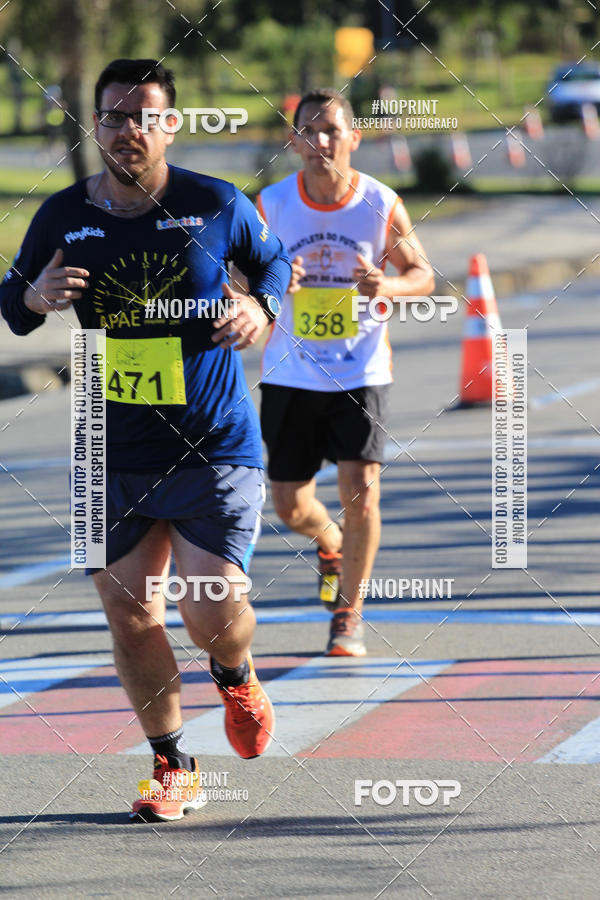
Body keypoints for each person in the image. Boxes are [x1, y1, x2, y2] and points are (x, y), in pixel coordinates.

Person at [0, 58, 290, 822]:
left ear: (169, 124)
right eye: (112, 117)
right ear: (94, 126)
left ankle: (235, 675)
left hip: (212, 439)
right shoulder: (61, 215)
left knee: (208, 605)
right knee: (130, 616)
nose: (126, 130)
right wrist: (32, 296)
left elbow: (274, 266)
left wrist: (261, 308)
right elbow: (16, 305)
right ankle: (173, 767)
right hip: (111, 448)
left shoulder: (215, 203)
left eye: (142, 116)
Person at [257, 88, 434, 657]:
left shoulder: (381, 203)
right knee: (288, 506)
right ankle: (328, 540)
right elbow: (235, 282)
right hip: (290, 374)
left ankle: (348, 613)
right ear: (293, 142)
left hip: (361, 371)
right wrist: (273, 282)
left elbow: (424, 275)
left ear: (354, 139)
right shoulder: (271, 205)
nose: (320, 142)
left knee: (362, 494)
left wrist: (388, 286)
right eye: (308, 131)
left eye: (331, 130)